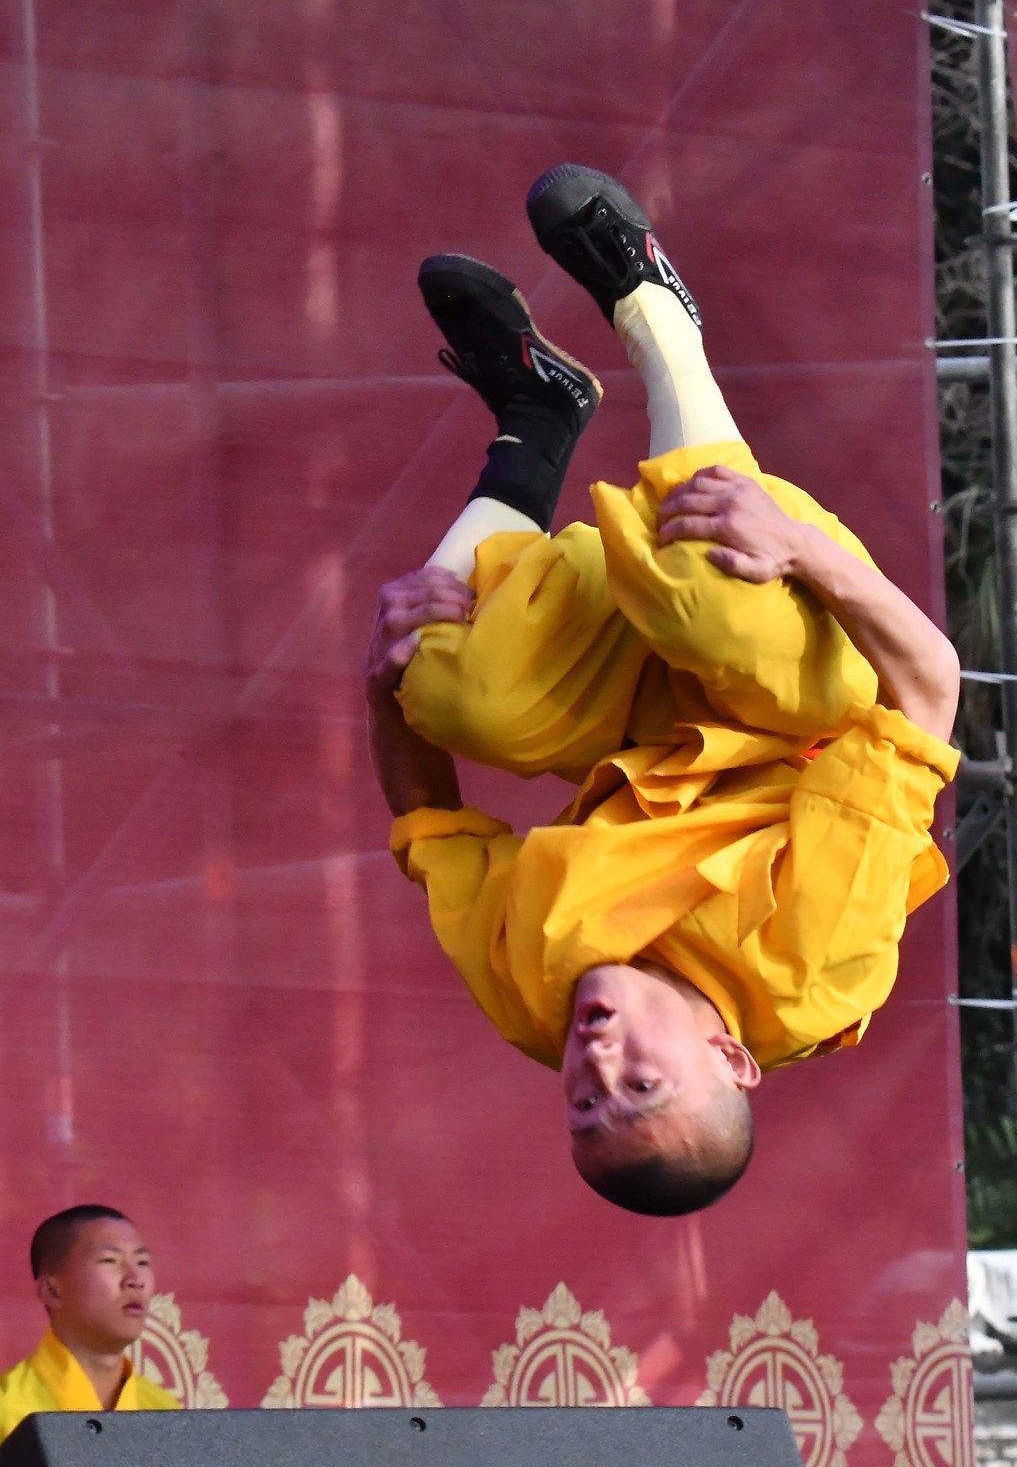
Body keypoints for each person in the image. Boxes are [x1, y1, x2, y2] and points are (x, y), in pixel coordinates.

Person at [365, 165, 961, 1217]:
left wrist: (384, 682)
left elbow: (430, 823)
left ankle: (536, 418)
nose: (596, 1066)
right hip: (799, 678)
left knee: (448, 693)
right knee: (702, 600)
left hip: (634, 700)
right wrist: (805, 554)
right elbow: (926, 688)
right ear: (731, 1056)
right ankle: (653, 305)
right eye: (641, 1087)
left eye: (582, 1105)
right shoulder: (810, 966)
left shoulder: (533, 991)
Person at [0, 1206, 177, 1467]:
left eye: (142, 1262)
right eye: (109, 1260)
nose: (135, 1279)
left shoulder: (167, 1417)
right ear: (52, 1290)